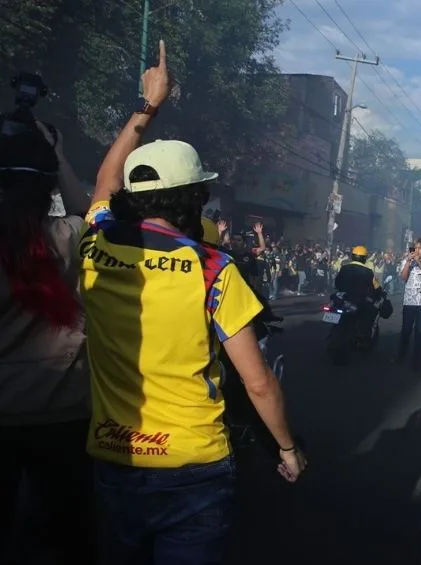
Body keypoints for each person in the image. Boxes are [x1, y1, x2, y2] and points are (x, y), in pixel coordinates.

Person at [80, 41, 305, 564]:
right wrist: (288, 448)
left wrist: (147, 106)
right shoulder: (213, 269)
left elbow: (103, 183)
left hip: (114, 457)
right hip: (193, 467)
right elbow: (257, 383)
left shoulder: (94, 245)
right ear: (194, 199)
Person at [0, 123, 93, 564]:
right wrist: (58, 155)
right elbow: (88, 210)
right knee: (66, 531)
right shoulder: (64, 238)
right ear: (46, 189)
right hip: (62, 410)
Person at [396, 239, 421, 369]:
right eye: (416, 248)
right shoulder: (407, 261)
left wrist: (419, 263)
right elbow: (403, 278)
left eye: (420, 248)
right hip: (409, 302)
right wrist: (409, 262)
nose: (417, 251)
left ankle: (416, 361)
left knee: (420, 332)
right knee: (406, 330)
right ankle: (401, 357)